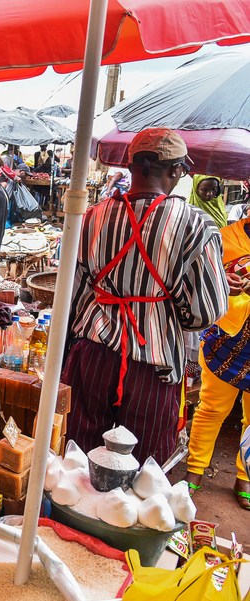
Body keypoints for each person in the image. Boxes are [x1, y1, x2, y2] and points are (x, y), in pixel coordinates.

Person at [62, 128, 229, 463]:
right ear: (175, 170)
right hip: (154, 365)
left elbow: (73, 292)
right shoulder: (196, 226)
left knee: (78, 456)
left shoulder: (90, 217)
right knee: (144, 468)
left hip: (92, 355)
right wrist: (163, 304)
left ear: (130, 166)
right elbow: (204, 312)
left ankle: (69, 518)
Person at [185, 215, 250, 509]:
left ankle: (244, 474)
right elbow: (201, 279)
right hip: (227, 339)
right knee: (211, 407)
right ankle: (194, 469)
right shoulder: (225, 237)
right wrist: (224, 281)